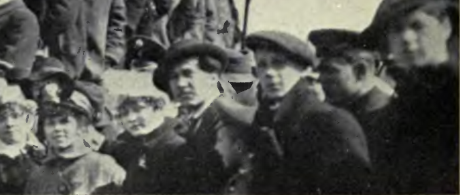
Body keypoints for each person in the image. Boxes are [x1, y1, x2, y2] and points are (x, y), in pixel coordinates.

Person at [245, 30, 372, 195]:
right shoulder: (265, 121)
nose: (269, 72)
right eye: (262, 65)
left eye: (278, 63)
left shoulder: (330, 122)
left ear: (302, 69)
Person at [360, 0, 458, 194]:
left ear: (445, 27)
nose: (406, 38)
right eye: (396, 30)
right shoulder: (392, 116)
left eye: (417, 26)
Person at [151, 40, 254, 194]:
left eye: (188, 73)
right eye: (173, 77)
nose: (180, 83)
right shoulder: (192, 122)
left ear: (212, 77)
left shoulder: (229, 120)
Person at [307, 28, 396, 178]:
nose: (320, 79)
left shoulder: (393, 119)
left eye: (329, 71)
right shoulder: (332, 114)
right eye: (320, 71)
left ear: (360, 71)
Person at [23, 88, 125, 195]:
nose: (57, 128)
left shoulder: (104, 167)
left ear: (81, 127)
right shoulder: (39, 176)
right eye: (50, 123)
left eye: (64, 121)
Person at [103, 70, 186, 194]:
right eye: (124, 113)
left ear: (159, 106)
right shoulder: (132, 144)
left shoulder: (179, 147)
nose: (130, 118)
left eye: (138, 109)